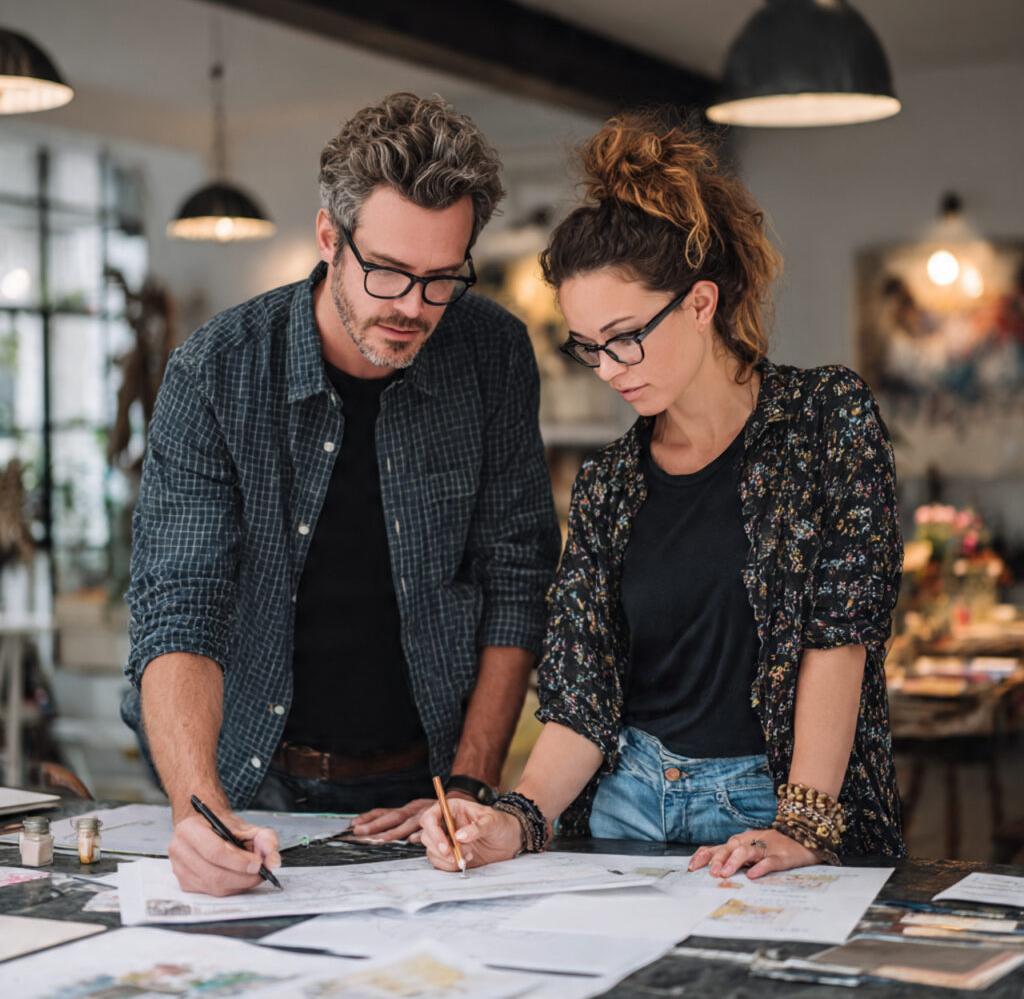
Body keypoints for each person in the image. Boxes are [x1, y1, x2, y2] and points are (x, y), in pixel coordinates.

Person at [422, 113, 905, 877]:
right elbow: (582, 694)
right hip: (625, 801)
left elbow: (838, 636)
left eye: (626, 335)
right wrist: (517, 820)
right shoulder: (610, 482)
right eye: (588, 348)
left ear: (701, 302)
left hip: (766, 807)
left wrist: (804, 823)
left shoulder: (825, 420)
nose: (610, 368)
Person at [122, 92, 561, 895]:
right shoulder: (214, 373)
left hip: (426, 787)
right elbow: (181, 605)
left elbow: (517, 581)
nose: (411, 308)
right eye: (388, 272)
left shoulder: (491, 354)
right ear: (330, 237)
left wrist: (467, 784)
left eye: (440, 280)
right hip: (249, 785)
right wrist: (198, 811)